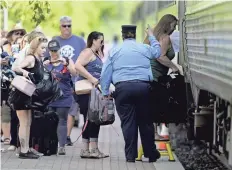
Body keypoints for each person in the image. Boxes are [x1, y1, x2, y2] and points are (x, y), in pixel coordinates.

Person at [100, 25, 161, 162]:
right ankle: (150, 154)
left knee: (128, 123)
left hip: (123, 90)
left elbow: (105, 74)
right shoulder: (144, 48)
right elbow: (157, 52)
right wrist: (151, 35)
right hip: (143, 88)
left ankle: (130, 156)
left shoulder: (114, 51)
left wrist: (105, 92)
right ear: (134, 35)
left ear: (123, 36)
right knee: (145, 122)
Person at [144, 14, 183, 140]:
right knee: (155, 104)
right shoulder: (164, 37)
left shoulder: (153, 36)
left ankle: (153, 133)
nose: (175, 27)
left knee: (151, 104)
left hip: (148, 74)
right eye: (174, 25)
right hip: (155, 76)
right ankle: (154, 134)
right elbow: (160, 56)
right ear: (168, 24)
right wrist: (174, 67)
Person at [11, 36, 47, 159]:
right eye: (42, 48)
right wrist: (26, 73)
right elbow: (16, 67)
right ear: (35, 47)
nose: (44, 50)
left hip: (29, 94)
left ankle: (26, 148)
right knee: (24, 122)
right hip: (21, 93)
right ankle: (23, 150)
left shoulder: (39, 60)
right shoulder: (30, 58)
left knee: (28, 122)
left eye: (45, 48)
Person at [52, 16, 86, 145]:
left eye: (69, 25)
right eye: (64, 25)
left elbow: (85, 57)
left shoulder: (79, 41)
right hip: (57, 81)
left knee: (71, 109)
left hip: (75, 80)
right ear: (60, 26)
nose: (67, 28)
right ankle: (58, 136)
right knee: (58, 110)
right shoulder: (55, 40)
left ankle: (66, 136)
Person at [75, 31, 109, 159]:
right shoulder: (88, 52)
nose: (102, 43)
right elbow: (78, 65)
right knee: (93, 119)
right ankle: (91, 149)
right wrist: (91, 78)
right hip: (87, 92)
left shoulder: (96, 54)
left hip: (93, 92)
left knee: (91, 119)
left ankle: (88, 149)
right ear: (94, 40)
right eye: (101, 40)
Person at [44, 39, 76, 155]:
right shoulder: (46, 62)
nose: (54, 53)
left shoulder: (67, 60)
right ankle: (50, 146)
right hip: (49, 97)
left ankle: (62, 146)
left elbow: (74, 73)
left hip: (64, 97)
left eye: (56, 50)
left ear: (59, 49)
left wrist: (66, 64)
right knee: (49, 121)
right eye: (52, 50)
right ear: (49, 51)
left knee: (62, 120)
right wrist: (43, 66)